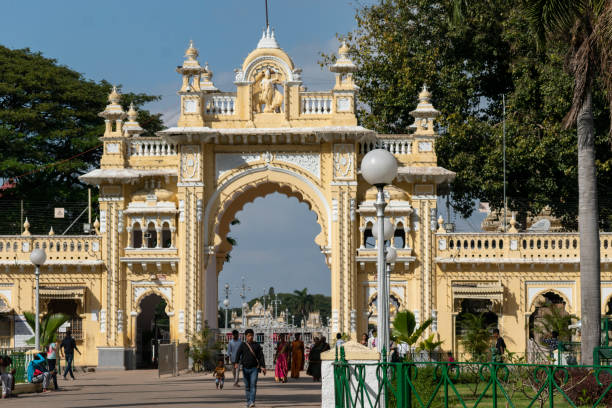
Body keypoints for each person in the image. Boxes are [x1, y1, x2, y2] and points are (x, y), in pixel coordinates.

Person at [235, 329, 266, 408]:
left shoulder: (257, 345)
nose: (250, 337)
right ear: (246, 336)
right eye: (249, 336)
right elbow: (238, 353)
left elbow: (261, 356)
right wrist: (236, 362)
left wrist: (263, 366)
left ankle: (252, 401)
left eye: (252, 335)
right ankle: (248, 402)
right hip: (245, 368)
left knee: (253, 385)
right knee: (247, 386)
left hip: (254, 368)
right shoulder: (243, 345)